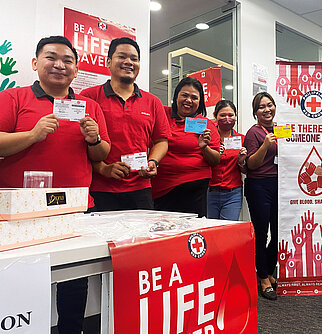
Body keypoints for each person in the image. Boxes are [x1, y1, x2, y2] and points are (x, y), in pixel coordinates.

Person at [0, 36, 110, 334]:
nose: (59, 65)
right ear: (36, 63)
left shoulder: (88, 106)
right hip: (21, 212)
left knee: (75, 281)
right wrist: (32, 135)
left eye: (68, 61)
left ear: (76, 71)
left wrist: (94, 139)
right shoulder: (14, 98)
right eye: (51, 57)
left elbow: (103, 154)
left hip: (74, 208)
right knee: (20, 275)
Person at [80, 37, 170, 211]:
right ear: (108, 61)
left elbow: (161, 141)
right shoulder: (89, 97)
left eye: (134, 59)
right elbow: (79, 145)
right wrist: (104, 169)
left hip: (141, 188)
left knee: (142, 238)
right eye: (122, 57)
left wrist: (153, 162)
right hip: (100, 189)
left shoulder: (153, 101)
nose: (128, 62)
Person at [151, 77, 220, 217]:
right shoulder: (162, 114)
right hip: (161, 187)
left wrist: (204, 147)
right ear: (176, 96)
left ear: (199, 102)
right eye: (185, 95)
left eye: (194, 97)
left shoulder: (205, 124)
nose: (189, 100)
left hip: (193, 187)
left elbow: (216, 160)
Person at [244, 91, 278, 300]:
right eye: (262, 107)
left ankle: (268, 269)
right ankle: (263, 276)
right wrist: (265, 144)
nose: (267, 109)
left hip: (279, 185)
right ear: (255, 112)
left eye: (270, 105)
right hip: (259, 185)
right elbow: (251, 165)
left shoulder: (282, 129)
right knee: (261, 232)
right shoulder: (253, 133)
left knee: (278, 232)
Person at [207, 100, 247, 220]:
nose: (227, 118)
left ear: (236, 116)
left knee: (228, 230)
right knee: (211, 230)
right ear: (215, 116)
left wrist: (241, 161)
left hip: (233, 193)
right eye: (223, 115)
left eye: (231, 115)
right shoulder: (209, 139)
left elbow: (245, 170)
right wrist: (212, 151)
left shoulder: (242, 139)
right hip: (210, 191)